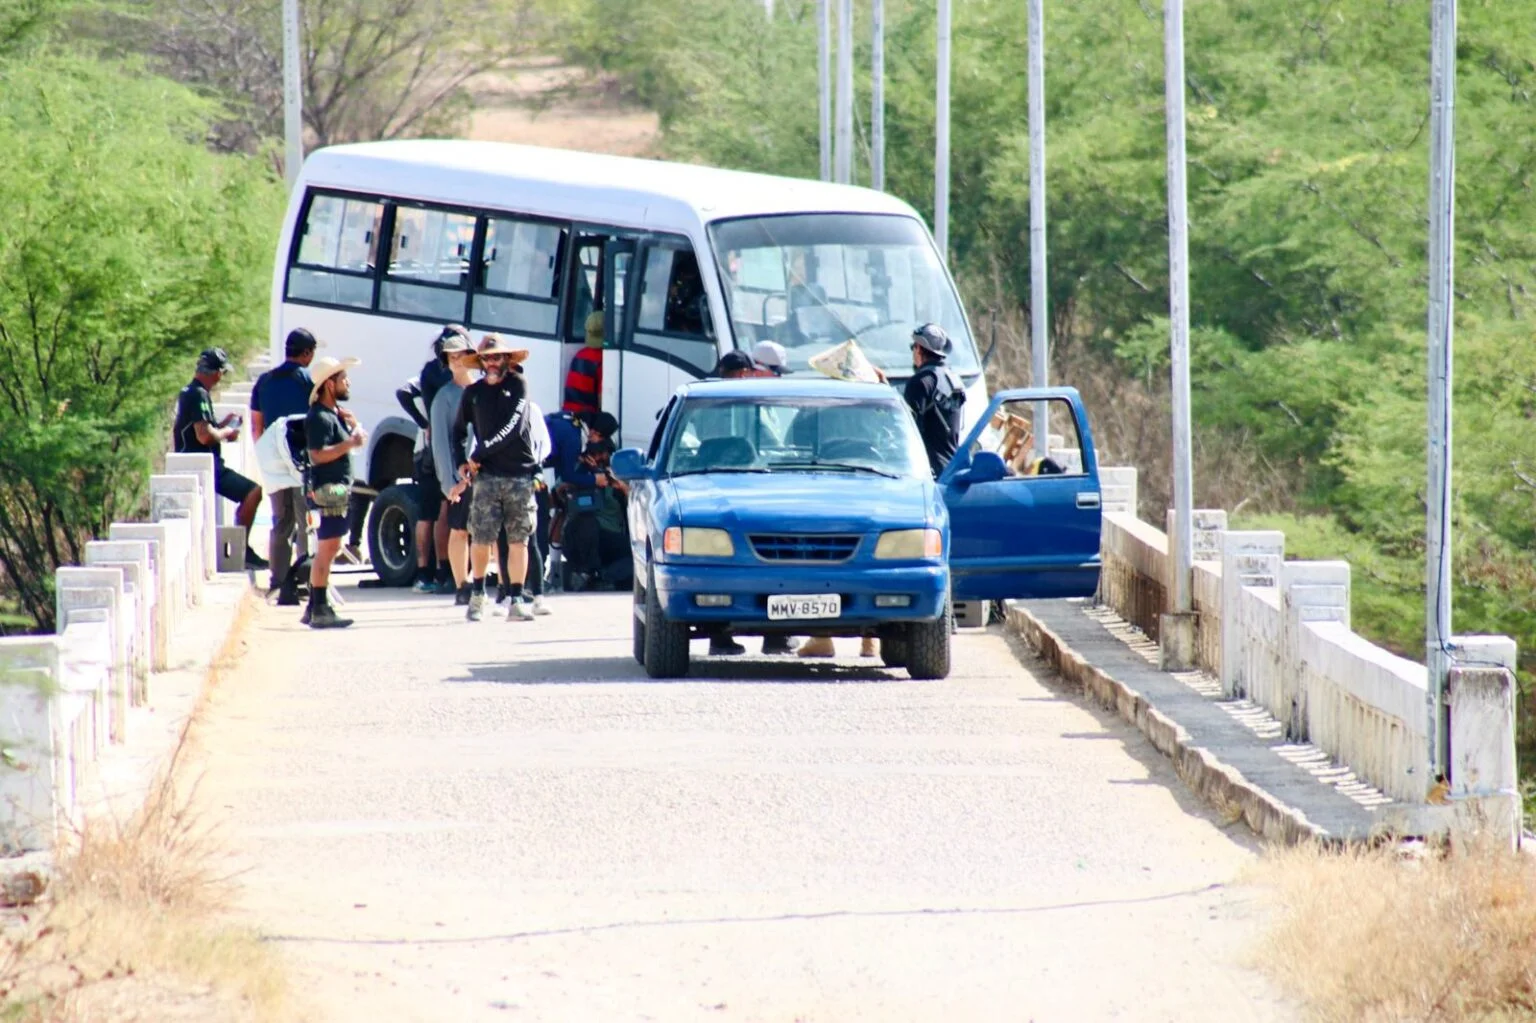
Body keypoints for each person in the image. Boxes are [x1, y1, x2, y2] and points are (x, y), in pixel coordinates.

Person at [451, 334, 543, 623]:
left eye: (497, 357)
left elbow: (514, 427)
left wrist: (477, 454)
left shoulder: (519, 385)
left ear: (507, 360)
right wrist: (460, 464)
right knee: (480, 538)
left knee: (519, 540)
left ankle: (517, 598)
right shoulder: (473, 393)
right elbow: (457, 432)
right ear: (480, 363)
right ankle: (477, 594)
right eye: (486, 358)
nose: (491, 363)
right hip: (487, 478)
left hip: (519, 474)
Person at [174, 348, 266, 570]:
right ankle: (241, 550)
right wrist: (227, 433)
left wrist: (223, 424)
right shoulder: (198, 394)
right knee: (253, 492)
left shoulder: (191, 391)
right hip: (202, 465)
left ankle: (240, 547)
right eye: (222, 373)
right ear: (216, 372)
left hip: (200, 463)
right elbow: (204, 435)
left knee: (251, 492)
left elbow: (202, 427)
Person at [250, 329, 317, 600]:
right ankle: (303, 581)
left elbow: (256, 426)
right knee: (306, 522)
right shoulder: (307, 381)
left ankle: (278, 582)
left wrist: (266, 457)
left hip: (273, 461)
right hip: (300, 460)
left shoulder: (264, 381)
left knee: (281, 521)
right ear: (306, 353)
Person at [303, 356, 365, 629]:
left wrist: (351, 429)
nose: (347, 382)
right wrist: (350, 443)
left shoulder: (332, 415)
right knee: (328, 549)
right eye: (342, 378)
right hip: (328, 490)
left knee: (330, 547)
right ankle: (320, 607)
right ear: (329, 384)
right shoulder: (319, 418)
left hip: (335, 489)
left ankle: (313, 606)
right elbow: (317, 455)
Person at [432, 330, 480, 606]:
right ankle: (462, 584)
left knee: (485, 531)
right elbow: (440, 443)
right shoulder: (444, 397)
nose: (457, 360)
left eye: (461, 354)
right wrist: (449, 482)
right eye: (451, 356)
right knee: (460, 529)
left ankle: (482, 581)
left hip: (485, 472)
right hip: (460, 476)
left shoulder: (482, 390)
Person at [904, 322, 967, 478]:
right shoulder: (953, 379)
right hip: (950, 469)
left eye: (914, 347)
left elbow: (906, 429)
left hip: (927, 472)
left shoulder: (921, 381)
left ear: (919, 348)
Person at [562, 310, 605, 417]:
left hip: (568, 411)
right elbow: (601, 398)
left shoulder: (579, 354)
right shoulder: (602, 359)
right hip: (586, 416)